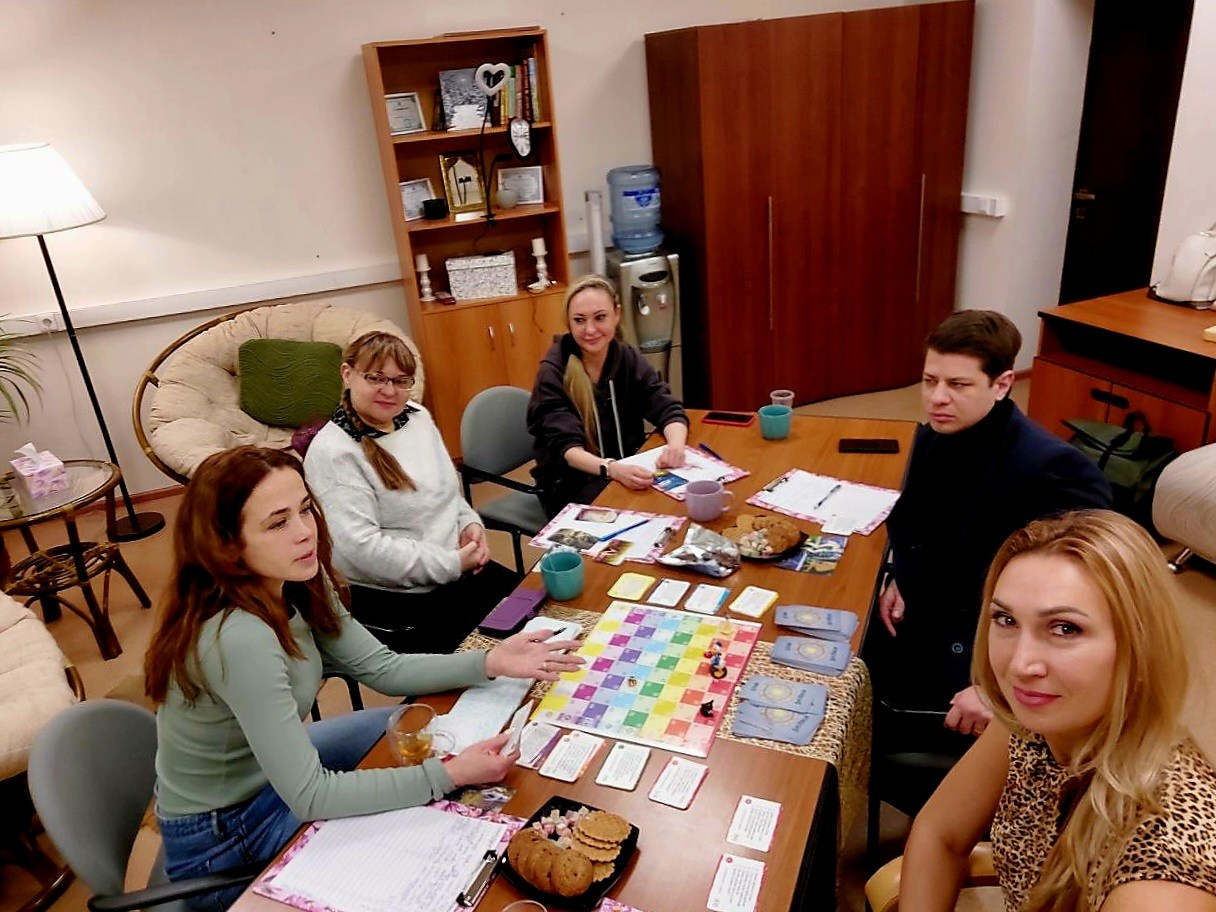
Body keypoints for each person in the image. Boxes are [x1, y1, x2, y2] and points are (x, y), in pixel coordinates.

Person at [146, 446, 583, 912]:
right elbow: (312, 795)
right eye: (277, 523)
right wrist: (450, 774)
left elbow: (384, 668)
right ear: (227, 545)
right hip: (225, 833)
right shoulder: (239, 638)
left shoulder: (297, 578)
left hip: (270, 774)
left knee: (413, 729)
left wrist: (491, 661)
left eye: (305, 509)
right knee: (413, 844)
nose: (304, 531)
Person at [900, 510, 1216, 912]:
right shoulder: (1039, 718)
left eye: (1065, 628)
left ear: (1141, 646)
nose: (1020, 665)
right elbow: (939, 832)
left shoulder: (1162, 879)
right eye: (1006, 620)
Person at [874, 310, 1111, 743]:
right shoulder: (933, 438)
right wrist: (902, 577)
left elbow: (1086, 605)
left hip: (986, 649)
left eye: (958, 384)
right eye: (930, 381)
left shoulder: (1053, 469)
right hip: (924, 615)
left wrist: (994, 689)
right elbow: (917, 527)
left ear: (1002, 385)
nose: (937, 398)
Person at [304, 331, 520, 654]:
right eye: (376, 378)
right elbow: (359, 551)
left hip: (454, 568)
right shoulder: (334, 452)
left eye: (401, 381)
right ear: (347, 374)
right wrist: (450, 563)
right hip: (402, 599)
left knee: (539, 612)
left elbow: (447, 490)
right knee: (501, 657)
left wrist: (468, 522)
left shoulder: (417, 417)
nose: (390, 390)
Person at [527, 274, 689, 517]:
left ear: (617, 314)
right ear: (568, 323)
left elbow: (667, 407)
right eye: (579, 320)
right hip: (570, 485)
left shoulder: (626, 357)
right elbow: (568, 450)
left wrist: (676, 447)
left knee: (679, 506)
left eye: (600, 317)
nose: (590, 330)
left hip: (624, 469)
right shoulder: (553, 372)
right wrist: (613, 469)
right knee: (652, 516)